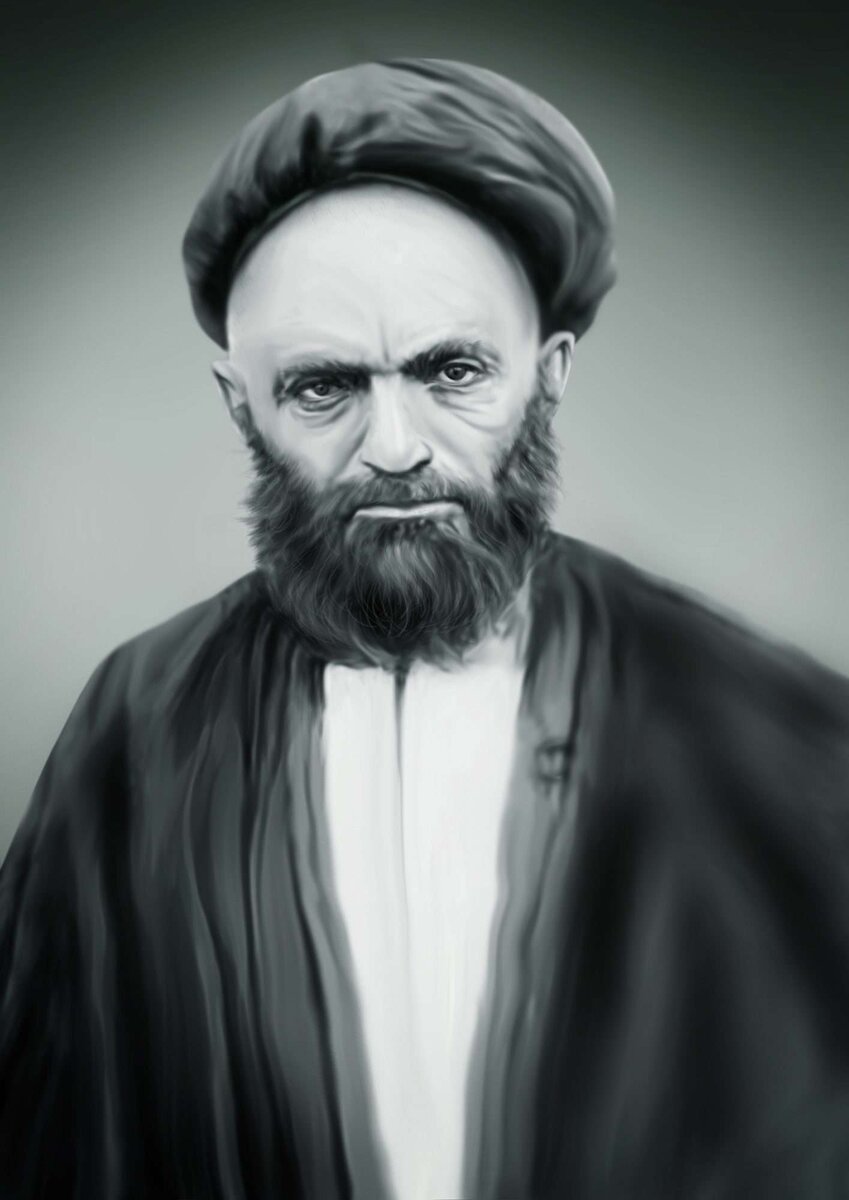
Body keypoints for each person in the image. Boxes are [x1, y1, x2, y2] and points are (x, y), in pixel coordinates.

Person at [2, 58, 849, 1200]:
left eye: (451, 371)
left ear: (547, 376)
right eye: (324, 387)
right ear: (241, 404)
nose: (394, 448)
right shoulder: (137, 728)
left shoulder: (767, 730)